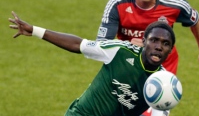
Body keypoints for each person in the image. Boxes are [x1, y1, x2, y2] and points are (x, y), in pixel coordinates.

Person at [96, 0, 199, 116]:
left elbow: (196, 22)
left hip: (162, 71)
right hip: (128, 68)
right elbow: (101, 45)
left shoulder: (174, 4)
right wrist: (128, 46)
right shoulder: (118, 3)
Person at [9, 11, 175, 116]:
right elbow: (78, 45)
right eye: (154, 40)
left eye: (165, 44)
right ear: (144, 41)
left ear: (170, 49)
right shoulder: (121, 51)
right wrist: (35, 31)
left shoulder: (164, 83)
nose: (158, 47)